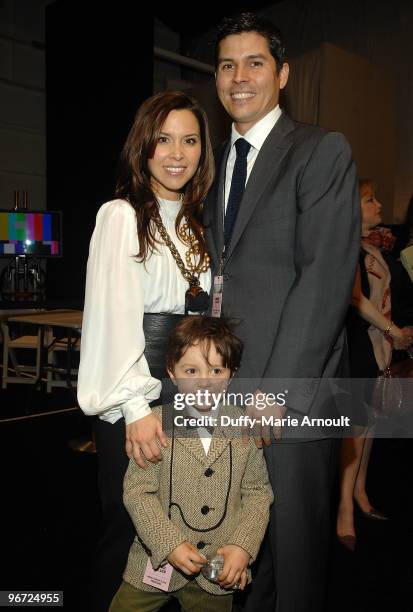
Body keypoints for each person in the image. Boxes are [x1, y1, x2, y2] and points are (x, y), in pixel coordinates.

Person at [203, 12, 361, 612]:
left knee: (294, 557)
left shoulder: (320, 151)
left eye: (255, 62)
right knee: (241, 554)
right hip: (226, 391)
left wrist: (278, 391)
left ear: (284, 73)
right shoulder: (213, 160)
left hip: (290, 396)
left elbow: (322, 280)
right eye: (226, 65)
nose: (239, 77)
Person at [77, 91, 214, 611]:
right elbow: (112, 316)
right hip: (137, 397)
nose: (176, 153)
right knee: (130, 530)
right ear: (144, 146)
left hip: (191, 395)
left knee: (179, 529)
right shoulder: (121, 216)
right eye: (163, 139)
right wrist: (136, 407)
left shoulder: (200, 227)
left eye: (190, 140)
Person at [109, 315, 273, 612]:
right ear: (172, 372)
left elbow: (258, 494)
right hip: (153, 564)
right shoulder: (155, 426)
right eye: (191, 370)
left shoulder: (245, 428)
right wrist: (168, 543)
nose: (204, 382)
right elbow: (137, 492)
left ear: (231, 374)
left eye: (216, 370)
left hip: (218, 572)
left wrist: (243, 546)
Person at [337, 179, 413, 550]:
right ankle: (343, 510)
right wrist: (394, 330)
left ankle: (360, 493)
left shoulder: (369, 249)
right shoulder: (345, 246)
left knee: (367, 426)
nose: (379, 205)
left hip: (370, 345)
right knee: (356, 427)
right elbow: (355, 299)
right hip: (352, 344)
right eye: (370, 199)